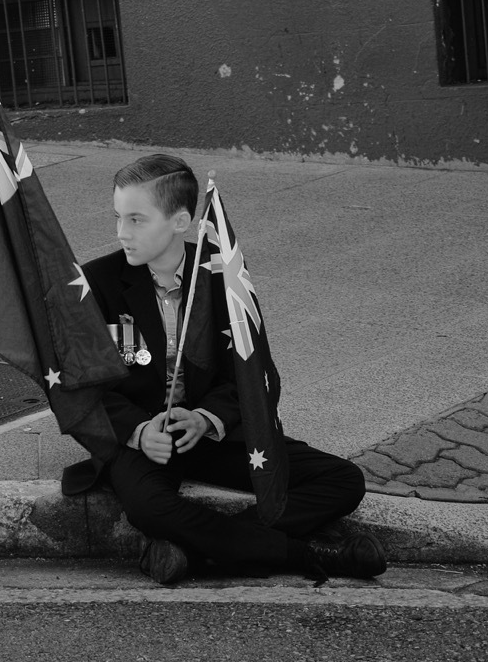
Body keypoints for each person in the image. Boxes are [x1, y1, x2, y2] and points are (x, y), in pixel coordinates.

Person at [62, 154, 386, 586]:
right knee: (149, 508)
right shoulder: (97, 283)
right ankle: (307, 554)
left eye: (137, 219)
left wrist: (205, 418)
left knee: (343, 479)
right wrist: (139, 431)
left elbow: (251, 372)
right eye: (118, 217)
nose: (122, 233)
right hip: (145, 439)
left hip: (210, 433)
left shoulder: (221, 277)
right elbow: (82, 384)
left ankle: (196, 555)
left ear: (179, 222)